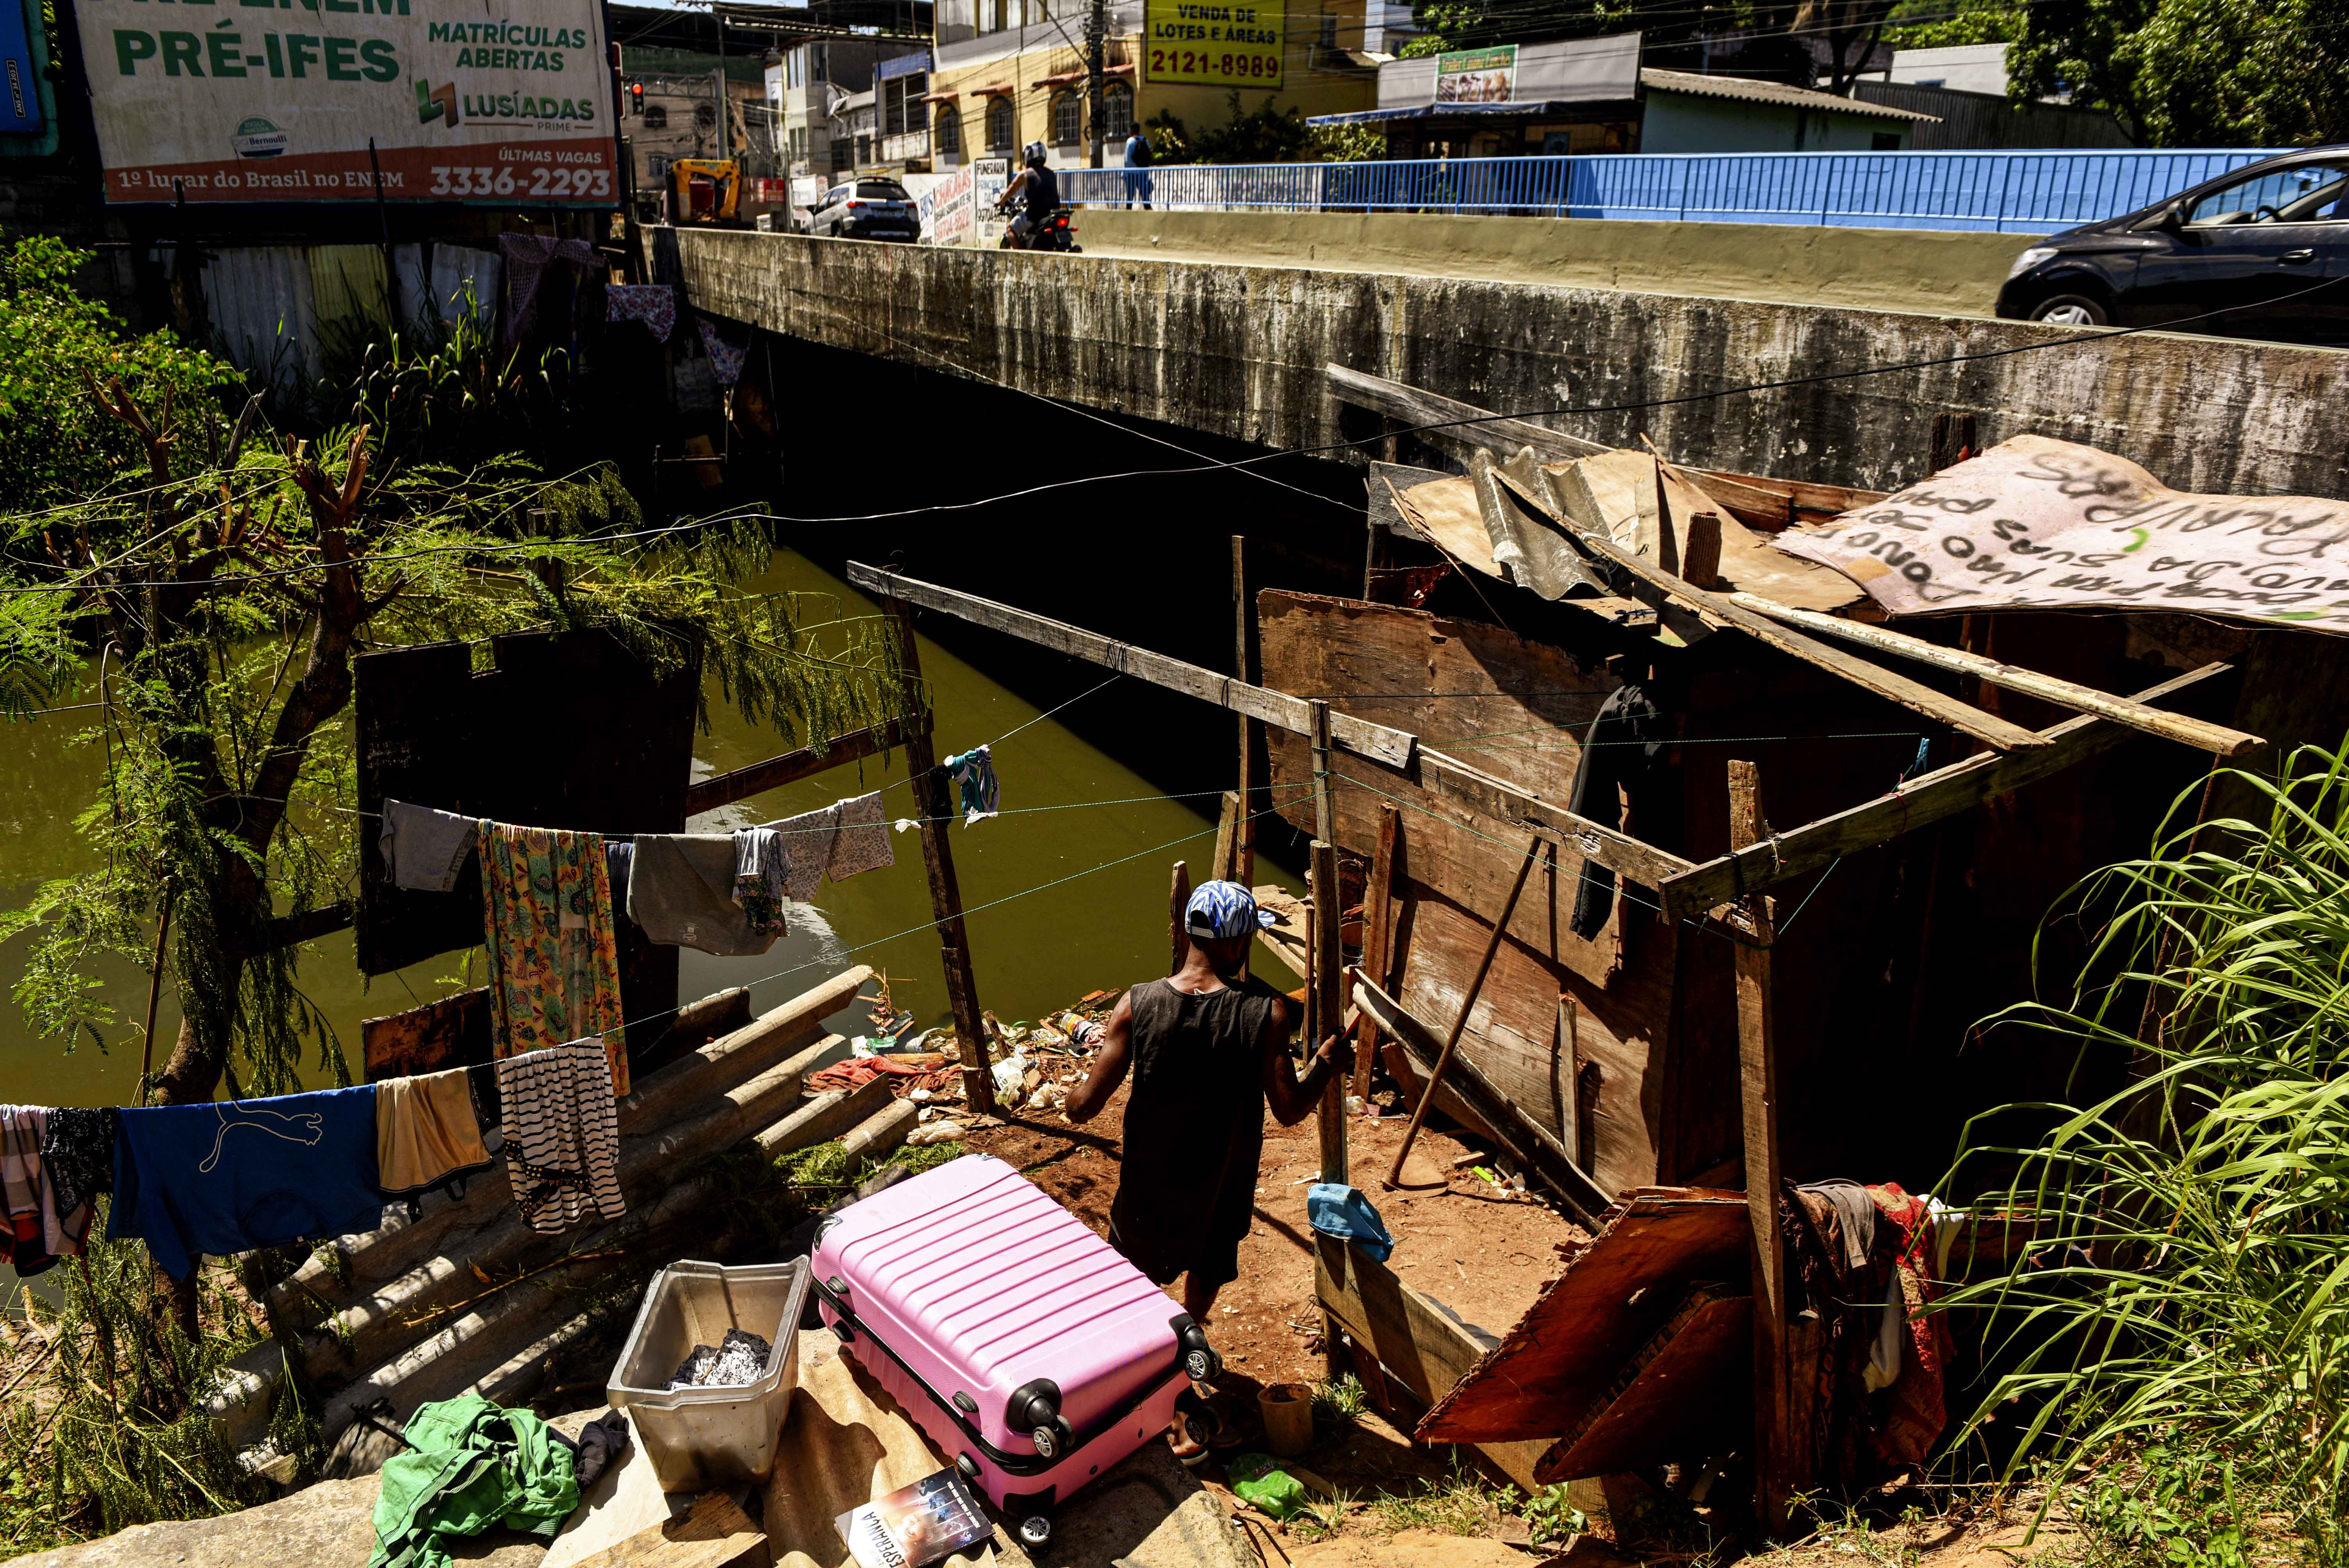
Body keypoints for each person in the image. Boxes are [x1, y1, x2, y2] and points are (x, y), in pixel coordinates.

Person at [1066, 881, 1351, 1320]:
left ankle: (1135, 1347)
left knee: (1130, 1278)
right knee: (1209, 1261)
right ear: (1238, 941)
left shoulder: (1136, 1003)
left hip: (1148, 1182)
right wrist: (1325, 1063)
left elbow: (1083, 1107)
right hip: (1221, 1181)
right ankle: (1192, 1330)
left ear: (1187, 932)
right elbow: (1290, 1109)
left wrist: (1073, 1095)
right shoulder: (1266, 1012)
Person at [996, 140, 1061, 245]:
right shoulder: (1051, 173)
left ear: (1027, 156)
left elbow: (1011, 190)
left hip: (1035, 215)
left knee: (1010, 230)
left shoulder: (1025, 174)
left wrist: (1000, 202)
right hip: (1054, 214)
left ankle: (1022, 258)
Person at [1122, 126, 1154, 210]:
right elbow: (1148, 156)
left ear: (1132, 130)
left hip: (1131, 174)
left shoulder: (1130, 141)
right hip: (1143, 173)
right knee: (1145, 195)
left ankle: (1128, 214)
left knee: (1130, 196)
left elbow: (1127, 160)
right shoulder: (1145, 140)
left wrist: (1124, 174)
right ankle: (1149, 212)